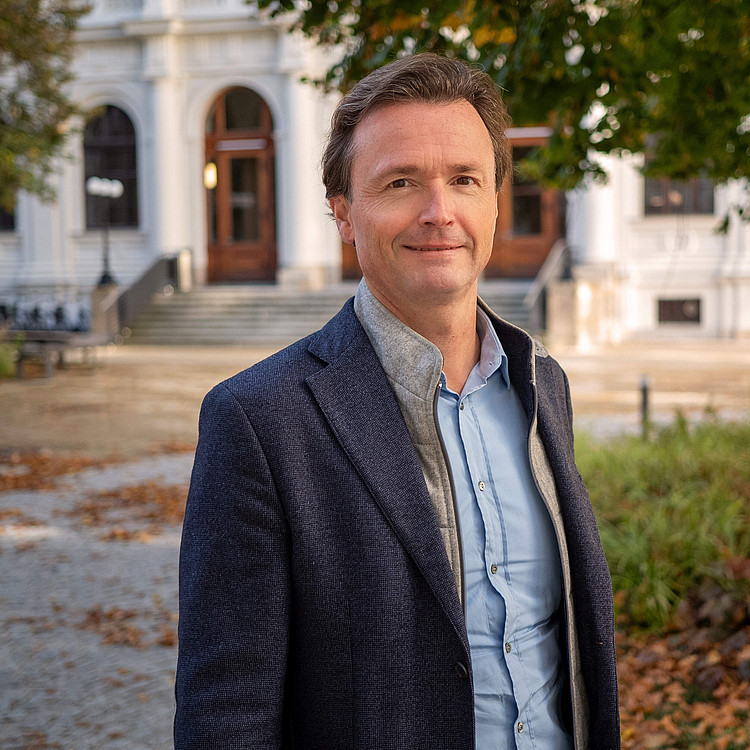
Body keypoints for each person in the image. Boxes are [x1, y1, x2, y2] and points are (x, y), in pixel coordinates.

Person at [174, 53, 620, 750]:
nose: (439, 212)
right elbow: (227, 716)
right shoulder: (259, 421)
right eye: (401, 181)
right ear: (345, 215)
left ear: (496, 200)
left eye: (465, 180)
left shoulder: (544, 385)